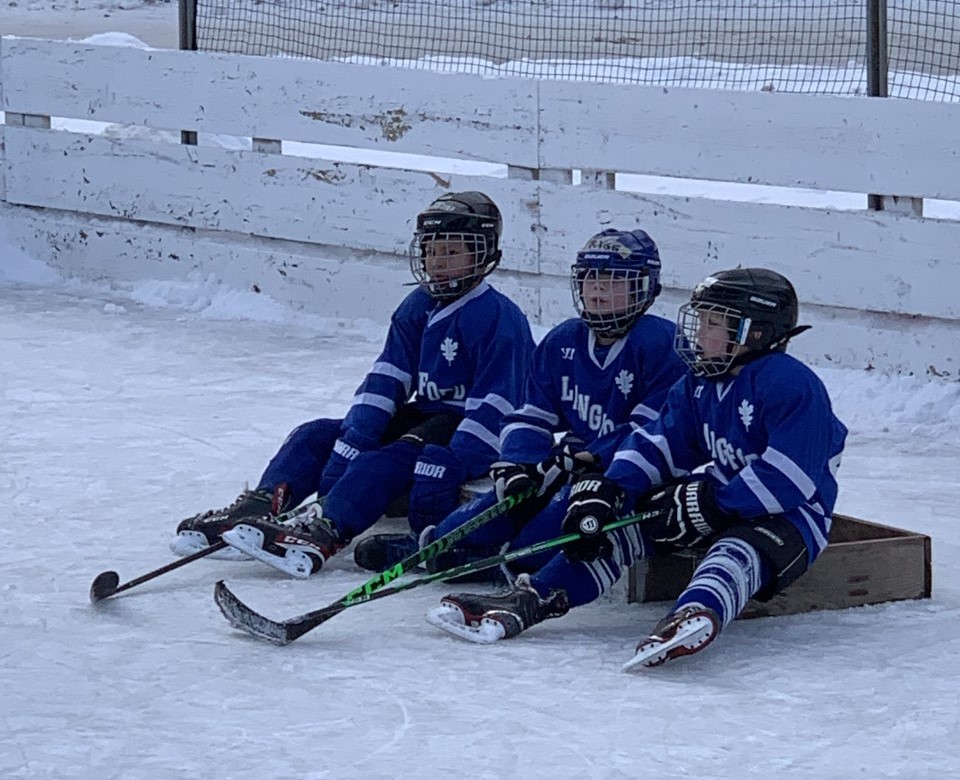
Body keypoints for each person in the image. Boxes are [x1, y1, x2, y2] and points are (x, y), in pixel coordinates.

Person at [427, 267, 848, 671]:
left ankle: (696, 612)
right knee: (612, 529)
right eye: (701, 321)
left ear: (754, 333)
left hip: (791, 519)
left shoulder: (791, 383)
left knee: (735, 552)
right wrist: (609, 489)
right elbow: (660, 443)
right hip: (722, 499)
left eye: (714, 324)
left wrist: (713, 501)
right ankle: (532, 597)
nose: (699, 333)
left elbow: (790, 477)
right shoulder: (700, 383)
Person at [172, 191, 535, 577]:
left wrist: (458, 460)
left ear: (483, 255)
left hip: (462, 431)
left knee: (386, 458)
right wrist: (355, 433)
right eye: (432, 250)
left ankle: (325, 527)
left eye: (452, 251)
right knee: (315, 435)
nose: (438, 262)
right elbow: (388, 375)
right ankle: (261, 508)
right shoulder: (418, 304)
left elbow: (500, 409)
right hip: (424, 417)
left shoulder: (500, 318)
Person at [352, 227, 687, 582]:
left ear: (646, 287)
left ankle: (501, 563)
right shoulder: (564, 341)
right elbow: (529, 414)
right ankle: (436, 545)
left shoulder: (663, 345)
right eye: (590, 277)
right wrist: (519, 464)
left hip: (628, 479)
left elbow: (649, 432)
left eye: (615, 279)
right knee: (496, 506)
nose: (598, 287)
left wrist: (587, 459)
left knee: (549, 523)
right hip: (569, 466)